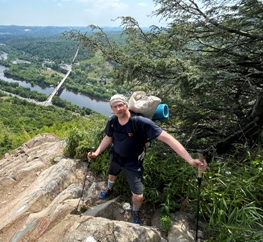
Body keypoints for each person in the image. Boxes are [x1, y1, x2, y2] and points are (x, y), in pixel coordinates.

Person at [87, 94, 207, 225]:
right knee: (112, 174)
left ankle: (135, 211)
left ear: (126, 105)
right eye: (115, 107)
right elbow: (108, 137)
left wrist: (190, 160)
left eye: (120, 105)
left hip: (133, 162)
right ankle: (109, 189)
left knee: (138, 196)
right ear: (112, 109)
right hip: (115, 155)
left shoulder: (140, 122)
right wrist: (97, 152)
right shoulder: (112, 121)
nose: (118, 109)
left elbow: (169, 139)